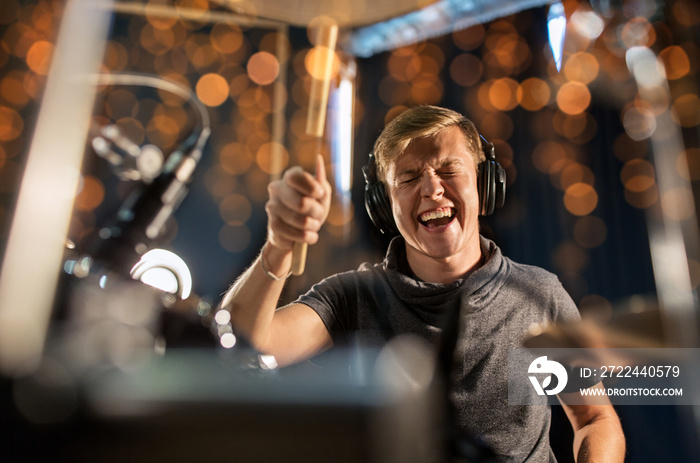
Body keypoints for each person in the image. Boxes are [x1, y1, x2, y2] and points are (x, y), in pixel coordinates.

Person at [220, 105, 625, 462]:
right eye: (409, 178)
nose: (432, 189)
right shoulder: (353, 297)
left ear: (485, 187)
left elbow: (594, 417)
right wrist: (277, 248)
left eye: (448, 170)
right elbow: (241, 345)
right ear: (384, 206)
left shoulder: (540, 296)